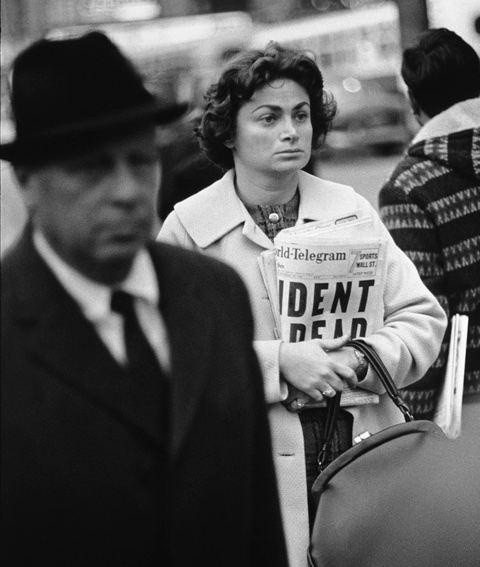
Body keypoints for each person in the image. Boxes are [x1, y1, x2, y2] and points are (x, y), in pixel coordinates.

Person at [0, 32, 290, 567]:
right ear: (26, 181)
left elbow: (258, 519)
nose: (128, 191)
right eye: (90, 169)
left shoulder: (217, 295)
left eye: (140, 161)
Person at [158, 42, 447, 567]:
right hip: (248, 467)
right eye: (268, 118)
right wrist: (279, 363)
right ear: (228, 131)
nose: (290, 131)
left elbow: (422, 318)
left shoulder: (349, 209)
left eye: (301, 115)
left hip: (362, 447)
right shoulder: (187, 227)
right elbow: (168, 356)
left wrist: (361, 358)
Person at [379, 29, 480, 431]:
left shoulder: (410, 186)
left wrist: (411, 425)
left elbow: (425, 320)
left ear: (415, 104)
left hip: (470, 411)